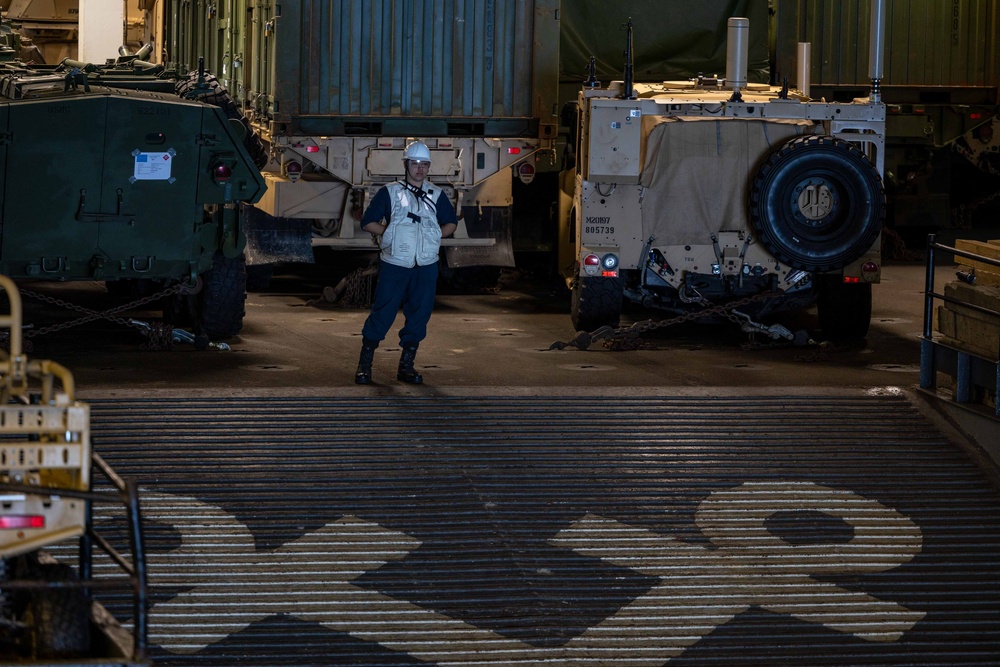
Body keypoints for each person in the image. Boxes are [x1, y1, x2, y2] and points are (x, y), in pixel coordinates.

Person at [354, 141, 457, 385]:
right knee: (383, 312)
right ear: (406, 164)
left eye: (424, 164)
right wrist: (389, 233)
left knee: (419, 315)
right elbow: (367, 222)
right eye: (414, 163)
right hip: (395, 264)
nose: (419, 169)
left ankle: (406, 367)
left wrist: (434, 236)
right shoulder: (389, 193)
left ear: (429, 166)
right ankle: (364, 366)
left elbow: (451, 223)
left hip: (426, 266)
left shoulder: (437, 194)